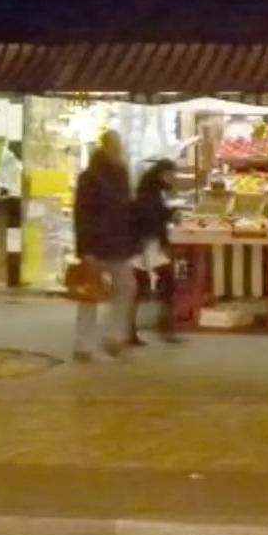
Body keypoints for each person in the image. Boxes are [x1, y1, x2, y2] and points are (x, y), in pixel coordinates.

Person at [69, 130, 138, 362]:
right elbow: (82, 214)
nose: (121, 150)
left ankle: (113, 336)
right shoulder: (90, 177)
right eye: (117, 146)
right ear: (108, 148)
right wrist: (85, 249)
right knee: (90, 292)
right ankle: (84, 343)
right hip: (96, 244)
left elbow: (126, 208)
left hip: (118, 243)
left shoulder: (121, 173)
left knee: (126, 287)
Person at [129, 156, 181, 345]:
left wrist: (168, 214)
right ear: (163, 174)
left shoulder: (150, 190)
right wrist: (168, 217)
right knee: (166, 281)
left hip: (145, 245)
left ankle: (131, 331)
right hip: (146, 245)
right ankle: (163, 327)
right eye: (172, 174)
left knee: (141, 287)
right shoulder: (150, 193)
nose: (174, 178)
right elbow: (150, 216)